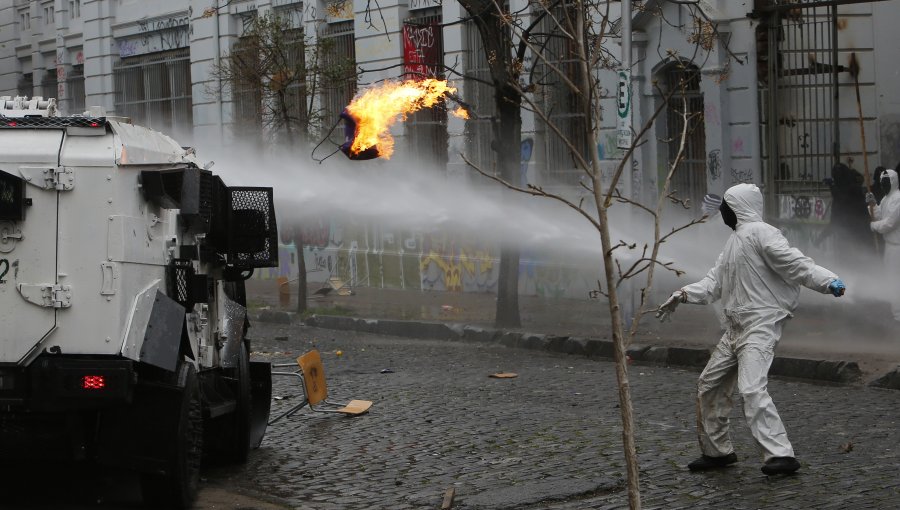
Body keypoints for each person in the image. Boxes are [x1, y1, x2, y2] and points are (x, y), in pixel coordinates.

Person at [656, 183, 846, 476]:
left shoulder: (762, 232)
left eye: (726, 206)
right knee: (709, 385)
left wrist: (828, 280)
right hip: (734, 328)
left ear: (738, 207)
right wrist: (683, 294)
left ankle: (779, 455)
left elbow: (796, 264)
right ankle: (717, 452)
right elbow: (713, 284)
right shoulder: (733, 242)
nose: (723, 212)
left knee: (751, 387)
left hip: (759, 326)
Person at [866, 169, 900, 322]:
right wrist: (872, 204)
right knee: (891, 280)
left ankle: (898, 315)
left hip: (897, 246)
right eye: (882, 183)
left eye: (887, 182)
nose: (884, 185)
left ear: (893, 182)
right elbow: (880, 215)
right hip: (890, 246)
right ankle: (896, 314)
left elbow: (889, 223)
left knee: (895, 281)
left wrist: (874, 226)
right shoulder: (887, 199)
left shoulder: (898, 198)